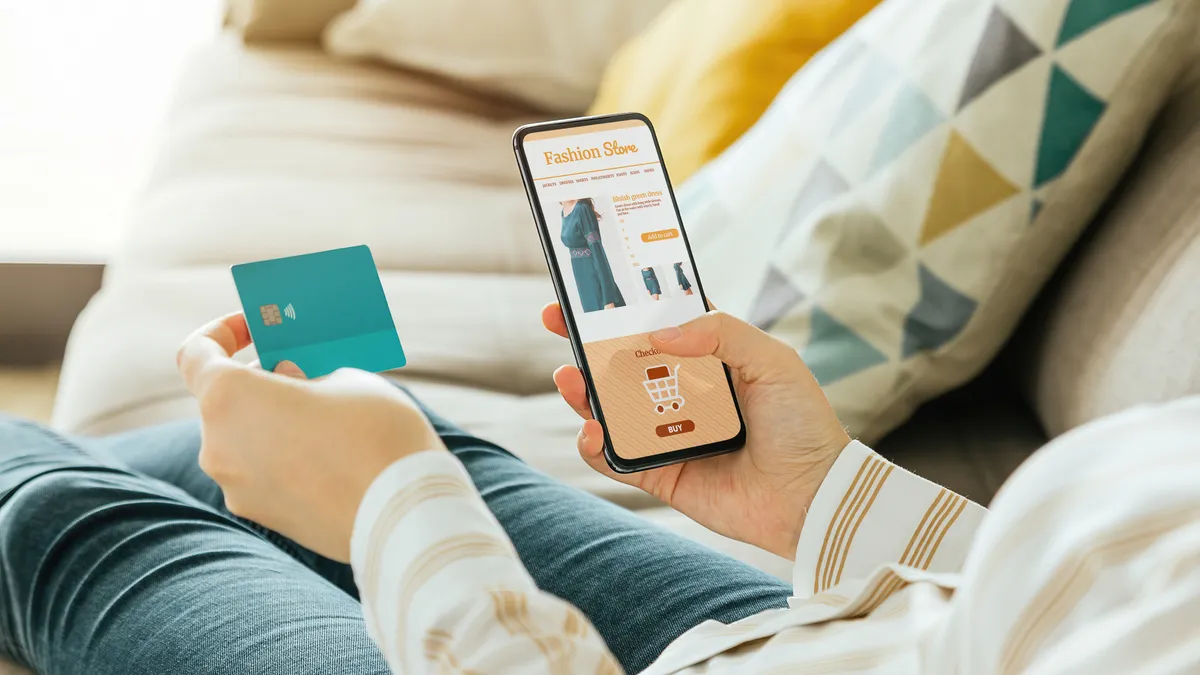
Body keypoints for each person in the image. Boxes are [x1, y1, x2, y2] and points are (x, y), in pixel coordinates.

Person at [0, 307, 1195, 674]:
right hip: (831, 645)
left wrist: (390, 501)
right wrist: (829, 500)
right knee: (248, 461)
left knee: (57, 519)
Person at [560, 198, 625, 311]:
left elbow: (597, 251)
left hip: (594, 273)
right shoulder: (563, 211)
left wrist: (608, 299)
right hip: (581, 276)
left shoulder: (582, 208)